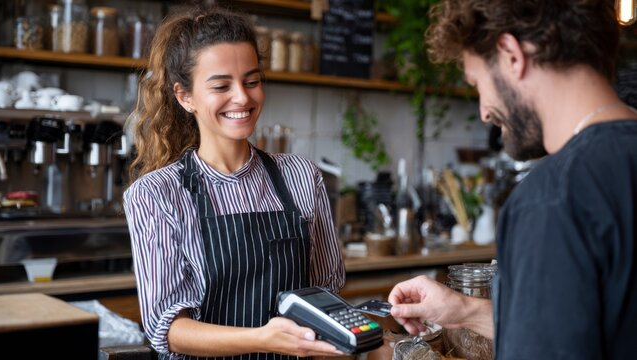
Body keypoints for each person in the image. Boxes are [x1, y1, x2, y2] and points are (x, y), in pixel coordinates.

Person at [388, 0, 637, 358]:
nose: (484, 111)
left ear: (510, 55)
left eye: (478, 83)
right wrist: (467, 311)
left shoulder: (552, 198)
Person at [122, 6, 345, 360]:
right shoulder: (157, 193)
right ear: (185, 97)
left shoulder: (302, 176)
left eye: (252, 81)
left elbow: (326, 292)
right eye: (221, 85)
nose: (242, 97)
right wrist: (263, 338)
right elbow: (170, 330)